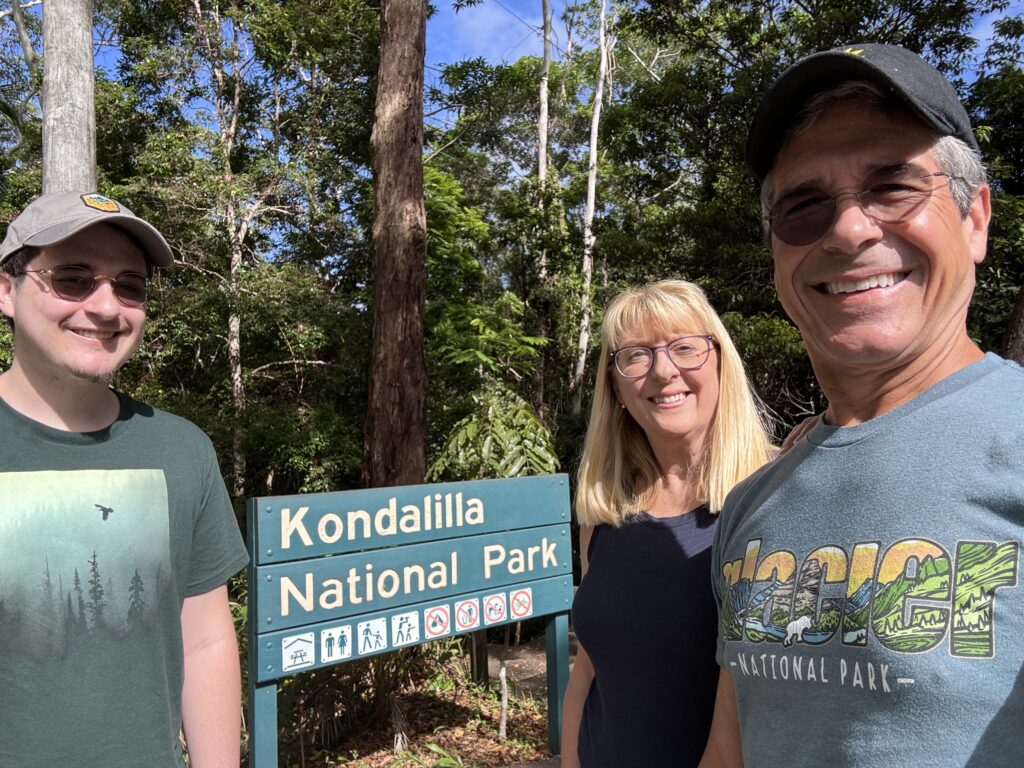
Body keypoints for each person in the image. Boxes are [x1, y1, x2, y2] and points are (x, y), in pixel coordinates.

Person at [702, 44, 1024, 767]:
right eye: (804, 205)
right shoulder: (752, 506)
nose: (848, 230)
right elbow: (731, 750)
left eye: (893, 186)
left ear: (975, 219)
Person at [0, 192, 250, 767]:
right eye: (72, 278)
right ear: (7, 292)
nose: (107, 306)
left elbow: (206, 639)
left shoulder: (181, 449)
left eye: (129, 285)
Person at [562, 280, 773, 768]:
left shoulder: (773, 498)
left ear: (720, 361)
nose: (663, 370)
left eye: (685, 348)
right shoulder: (604, 514)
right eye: (635, 356)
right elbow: (588, 671)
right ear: (615, 387)